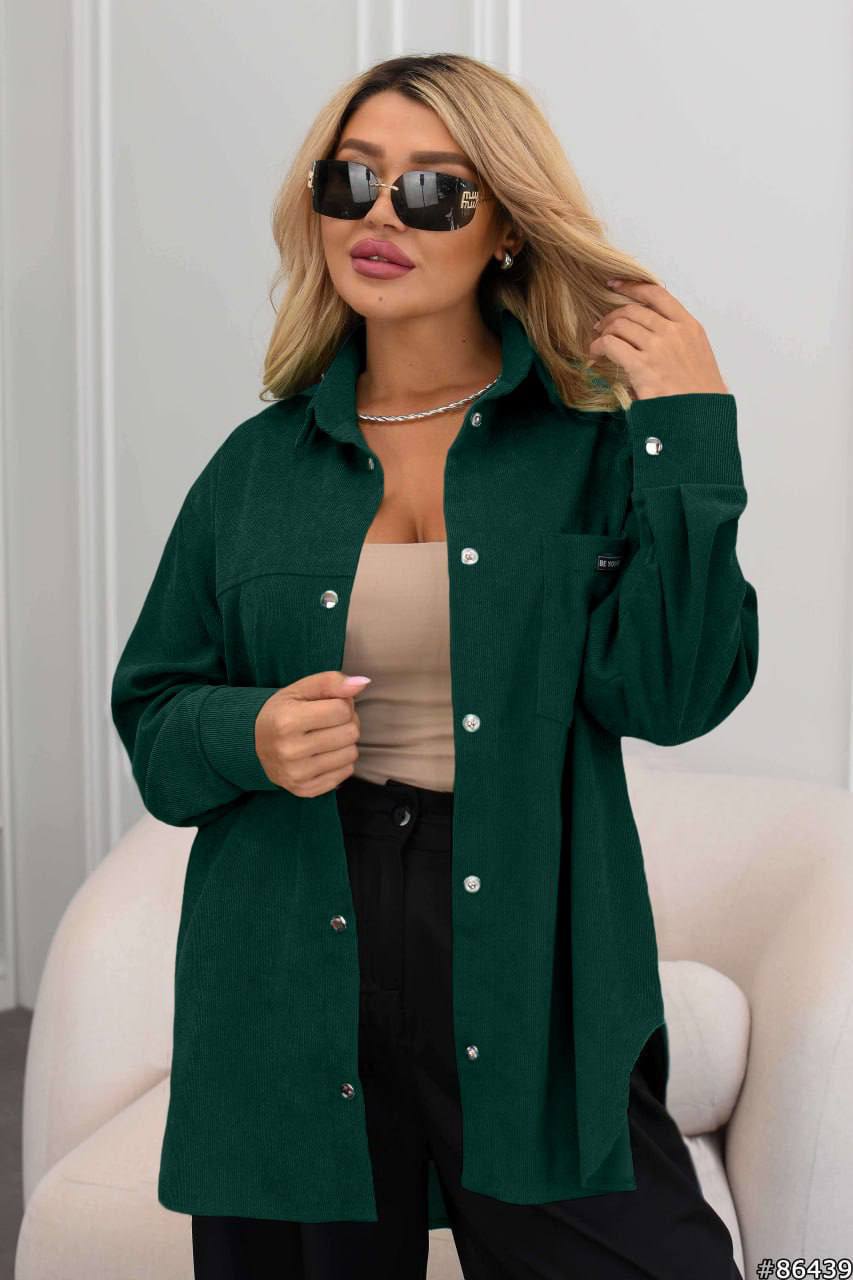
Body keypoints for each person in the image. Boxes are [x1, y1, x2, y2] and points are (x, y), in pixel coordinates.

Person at [111, 51, 757, 1280]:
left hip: (526, 940)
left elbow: (673, 695)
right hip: (291, 947)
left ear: (505, 225)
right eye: (350, 180)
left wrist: (687, 430)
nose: (380, 216)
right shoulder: (254, 470)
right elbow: (154, 719)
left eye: (432, 190)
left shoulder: (587, 451)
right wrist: (248, 734)